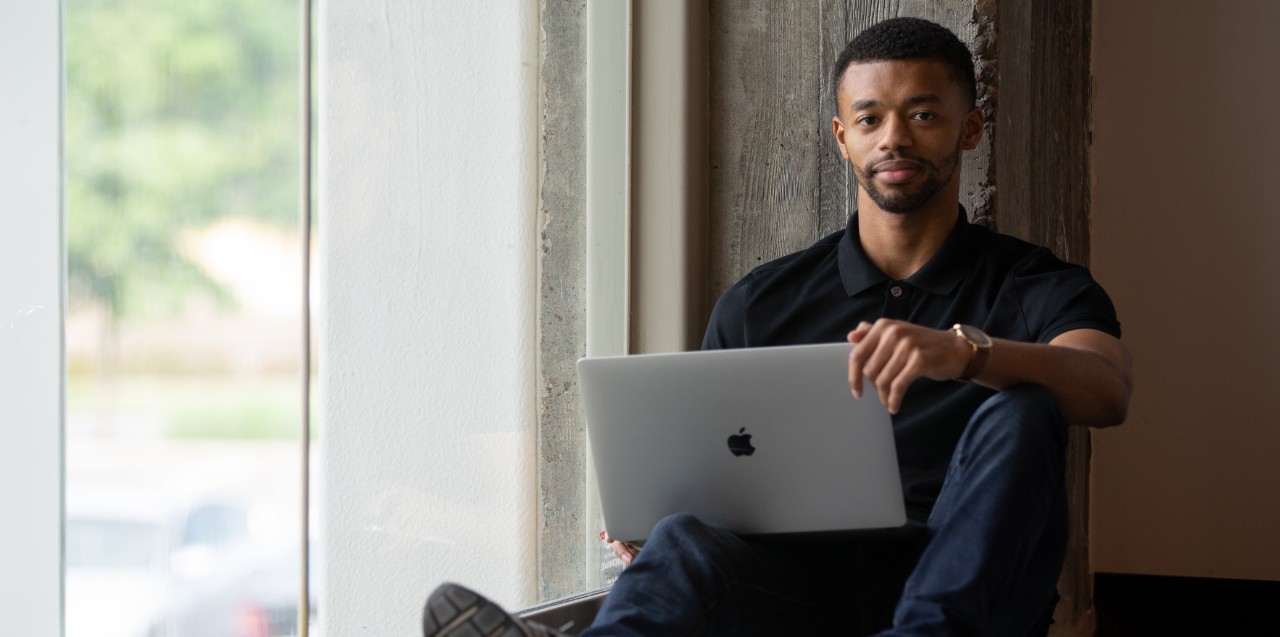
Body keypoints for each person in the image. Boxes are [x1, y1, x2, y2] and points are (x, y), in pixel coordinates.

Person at [422, 16, 1131, 637]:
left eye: (923, 115)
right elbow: (706, 468)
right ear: (841, 136)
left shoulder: (1034, 282)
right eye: (869, 118)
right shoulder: (764, 301)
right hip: (803, 591)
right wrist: (653, 515)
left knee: (1025, 408)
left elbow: (1106, 388)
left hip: (966, 593)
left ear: (970, 127)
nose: (894, 138)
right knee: (687, 541)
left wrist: (963, 352)